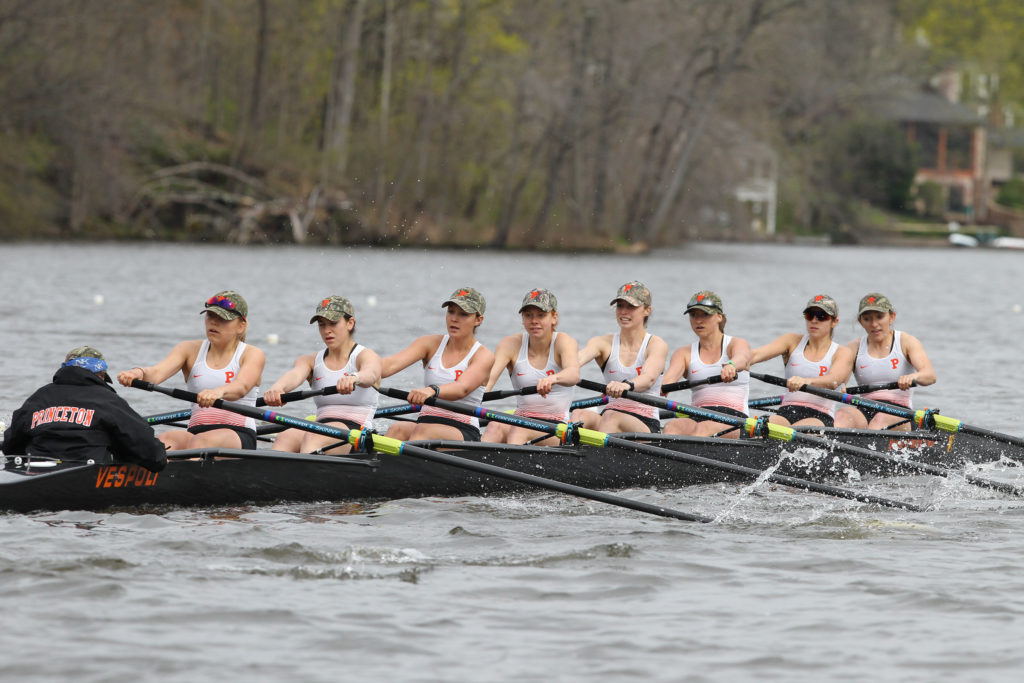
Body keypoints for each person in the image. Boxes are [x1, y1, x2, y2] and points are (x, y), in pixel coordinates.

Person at [117, 290, 265, 450]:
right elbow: (157, 373)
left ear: (241, 326)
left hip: (238, 433)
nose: (213, 323)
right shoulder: (188, 349)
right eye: (210, 316)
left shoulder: (252, 354)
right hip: (196, 432)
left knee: (200, 442)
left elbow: (241, 387)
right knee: (163, 440)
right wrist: (138, 373)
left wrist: (218, 393)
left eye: (222, 319)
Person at [2, 346, 167, 471]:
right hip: (87, 473)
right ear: (101, 375)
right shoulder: (107, 400)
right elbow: (153, 455)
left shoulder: (39, 397)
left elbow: (10, 445)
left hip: (36, 471)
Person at [262, 296, 381, 454]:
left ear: (350, 323)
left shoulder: (364, 355)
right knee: (285, 437)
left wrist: (355, 378)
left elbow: (371, 373)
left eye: (333, 323)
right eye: (322, 325)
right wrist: (278, 388)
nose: (327, 331)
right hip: (320, 426)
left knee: (313, 438)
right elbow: (295, 375)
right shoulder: (311, 360)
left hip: (355, 433)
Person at [380, 287, 494, 442]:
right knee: (396, 430)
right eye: (451, 311)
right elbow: (389, 365)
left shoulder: (483, 355)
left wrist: (432, 390)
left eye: (463, 314)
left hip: (463, 429)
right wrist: (357, 374)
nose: (454, 319)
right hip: (426, 423)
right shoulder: (429, 343)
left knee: (423, 433)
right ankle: (382, 466)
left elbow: (462, 388)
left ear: (478, 320)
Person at [482, 289, 580, 446]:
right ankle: (476, 462)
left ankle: (509, 464)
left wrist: (554, 378)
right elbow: (487, 382)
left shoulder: (564, 341)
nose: (534, 321)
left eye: (541, 315)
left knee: (518, 430)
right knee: (494, 426)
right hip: (521, 418)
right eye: (528, 315)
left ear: (554, 318)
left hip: (556, 426)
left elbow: (574, 374)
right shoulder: (510, 344)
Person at [570, 281, 668, 434]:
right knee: (578, 414)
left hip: (645, 423)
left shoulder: (656, 344)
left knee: (611, 417)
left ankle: (594, 455)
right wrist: (554, 375)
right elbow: (575, 362)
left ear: (647, 310)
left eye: (631, 307)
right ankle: (568, 454)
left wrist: (626, 385)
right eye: (620, 306)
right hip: (609, 416)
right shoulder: (602, 343)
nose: (624, 312)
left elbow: (648, 378)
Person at [749, 294, 855, 428]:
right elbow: (755, 354)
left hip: (820, 416)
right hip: (786, 412)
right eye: (810, 315)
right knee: (761, 428)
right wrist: (734, 364)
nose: (814, 320)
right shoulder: (791, 341)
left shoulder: (842, 352)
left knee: (795, 433)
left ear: (834, 321)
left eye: (822, 316)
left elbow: (833, 381)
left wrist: (806, 381)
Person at [838, 293, 937, 430]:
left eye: (879, 317)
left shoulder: (906, 342)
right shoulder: (853, 347)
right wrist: (838, 385)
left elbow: (930, 376)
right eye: (867, 319)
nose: (874, 324)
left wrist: (913, 377)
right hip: (863, 408)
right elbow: (836, 380)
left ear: (892, 317)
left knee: (879, 420)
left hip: (899, 412)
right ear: (861, 321)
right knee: (842, 415)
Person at [662, 291, 752, 438]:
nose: (698, 320)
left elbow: (742, 358)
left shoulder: (735, 344)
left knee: (701, 431)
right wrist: (660, 387)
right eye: (693, 315)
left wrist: (731, 365)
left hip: (735, 418)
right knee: (671, 427)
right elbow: (668, 380)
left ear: (719, 317)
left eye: (705, 314)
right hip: (697, 414)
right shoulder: (683, 353)